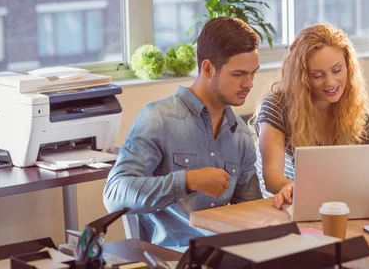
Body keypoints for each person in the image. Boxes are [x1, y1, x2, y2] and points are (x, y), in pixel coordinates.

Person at [103, 17, 263, 248]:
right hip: (171, 257)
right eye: (238, 74)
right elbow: (114, 195)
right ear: (208, 68)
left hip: (224, 256)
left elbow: (250, 211)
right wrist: (188, 181)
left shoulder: (241, 134)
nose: (249, 84)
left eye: (253, 73)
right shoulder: (158, 119)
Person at [253, 24, 369, 209]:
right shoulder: (277, 107)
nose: (331, 82)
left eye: (337, 70)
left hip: (340, 208)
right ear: (302, 77)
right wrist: (291, 187)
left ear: (348, 66)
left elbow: (366, 173)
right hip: (291, 208)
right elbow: (271, 176)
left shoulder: (358, 113)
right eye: (317, 75)